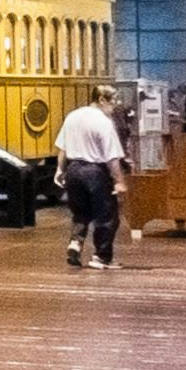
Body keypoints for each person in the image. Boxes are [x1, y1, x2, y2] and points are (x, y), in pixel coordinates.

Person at [53, 90, 130, 271]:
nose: (116, 105)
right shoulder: (103, 122)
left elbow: (63, 148)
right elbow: (112, 157)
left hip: (73, 170)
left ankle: (75, 243)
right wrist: (119, 180)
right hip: (95, 172)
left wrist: (59, 169)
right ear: (101, 99)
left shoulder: (72, 116)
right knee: (107, 216)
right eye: (113, 100)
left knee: (80, 213)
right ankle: (101, 257)